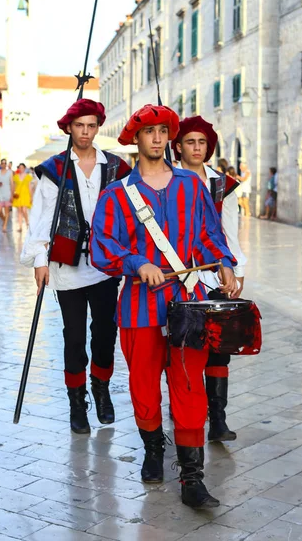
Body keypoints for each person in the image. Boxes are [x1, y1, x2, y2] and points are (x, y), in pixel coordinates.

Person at [90, 104, 237, 509]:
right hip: (139, 307)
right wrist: (137, 263)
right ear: (135, 139)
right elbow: (103, 247)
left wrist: (223, 260)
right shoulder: (116, 193)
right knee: (143, 389)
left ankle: (192, 478)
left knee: (190, 388)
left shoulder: (191, 185)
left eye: (162, 131)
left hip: (187, 304)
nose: (156, 138)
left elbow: (209, 233)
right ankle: (154, 447)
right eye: (148, 131)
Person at [21, 99, 131, 435]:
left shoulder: (115, 167)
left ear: (98, 128)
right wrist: (40, 261)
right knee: (73, 336)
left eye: (91, 126)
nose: (85, 132)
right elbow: (41, 219)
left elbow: (129, 214)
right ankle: (76, 402)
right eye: (79, 125)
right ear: (69, 127)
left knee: (104, 332)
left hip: (103, 264)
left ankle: (101, 386)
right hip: (65, 265)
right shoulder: (55, 169)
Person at [172, 116, 247, 442]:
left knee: (220, 346)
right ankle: (184, 409)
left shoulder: (222, 184)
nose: (197, 148)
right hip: (178, 273)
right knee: (183, 345)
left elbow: (230, 230)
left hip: (216, 273)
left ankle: (217, 418)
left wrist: (237, 269)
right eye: (190, 142)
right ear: (179, 146)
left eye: (202, 142)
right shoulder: (167, 180)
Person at [13, 163, 34, 232]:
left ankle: (27, 222)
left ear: (24, 168)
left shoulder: (28, 176)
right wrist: (13, 194)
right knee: (19, 211)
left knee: (24, 210)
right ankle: (20, 227)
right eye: (20, 167)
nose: (21, 169)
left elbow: (30, 187)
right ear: (18, 168)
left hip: (26, 195)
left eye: (22, 168)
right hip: (18, 195)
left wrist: (31, 197)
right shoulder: (16, 176)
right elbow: (14, 186)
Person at [0, 159, 14, 232]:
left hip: (7, 192)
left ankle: (5, 226)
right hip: (0, 193)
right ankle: (4, 220)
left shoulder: (10, 172)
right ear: (0, 164)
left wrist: (12, 194)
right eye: (2, 163)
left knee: (6, 210)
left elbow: (12, 183)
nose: (3, 164)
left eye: (5, 163)